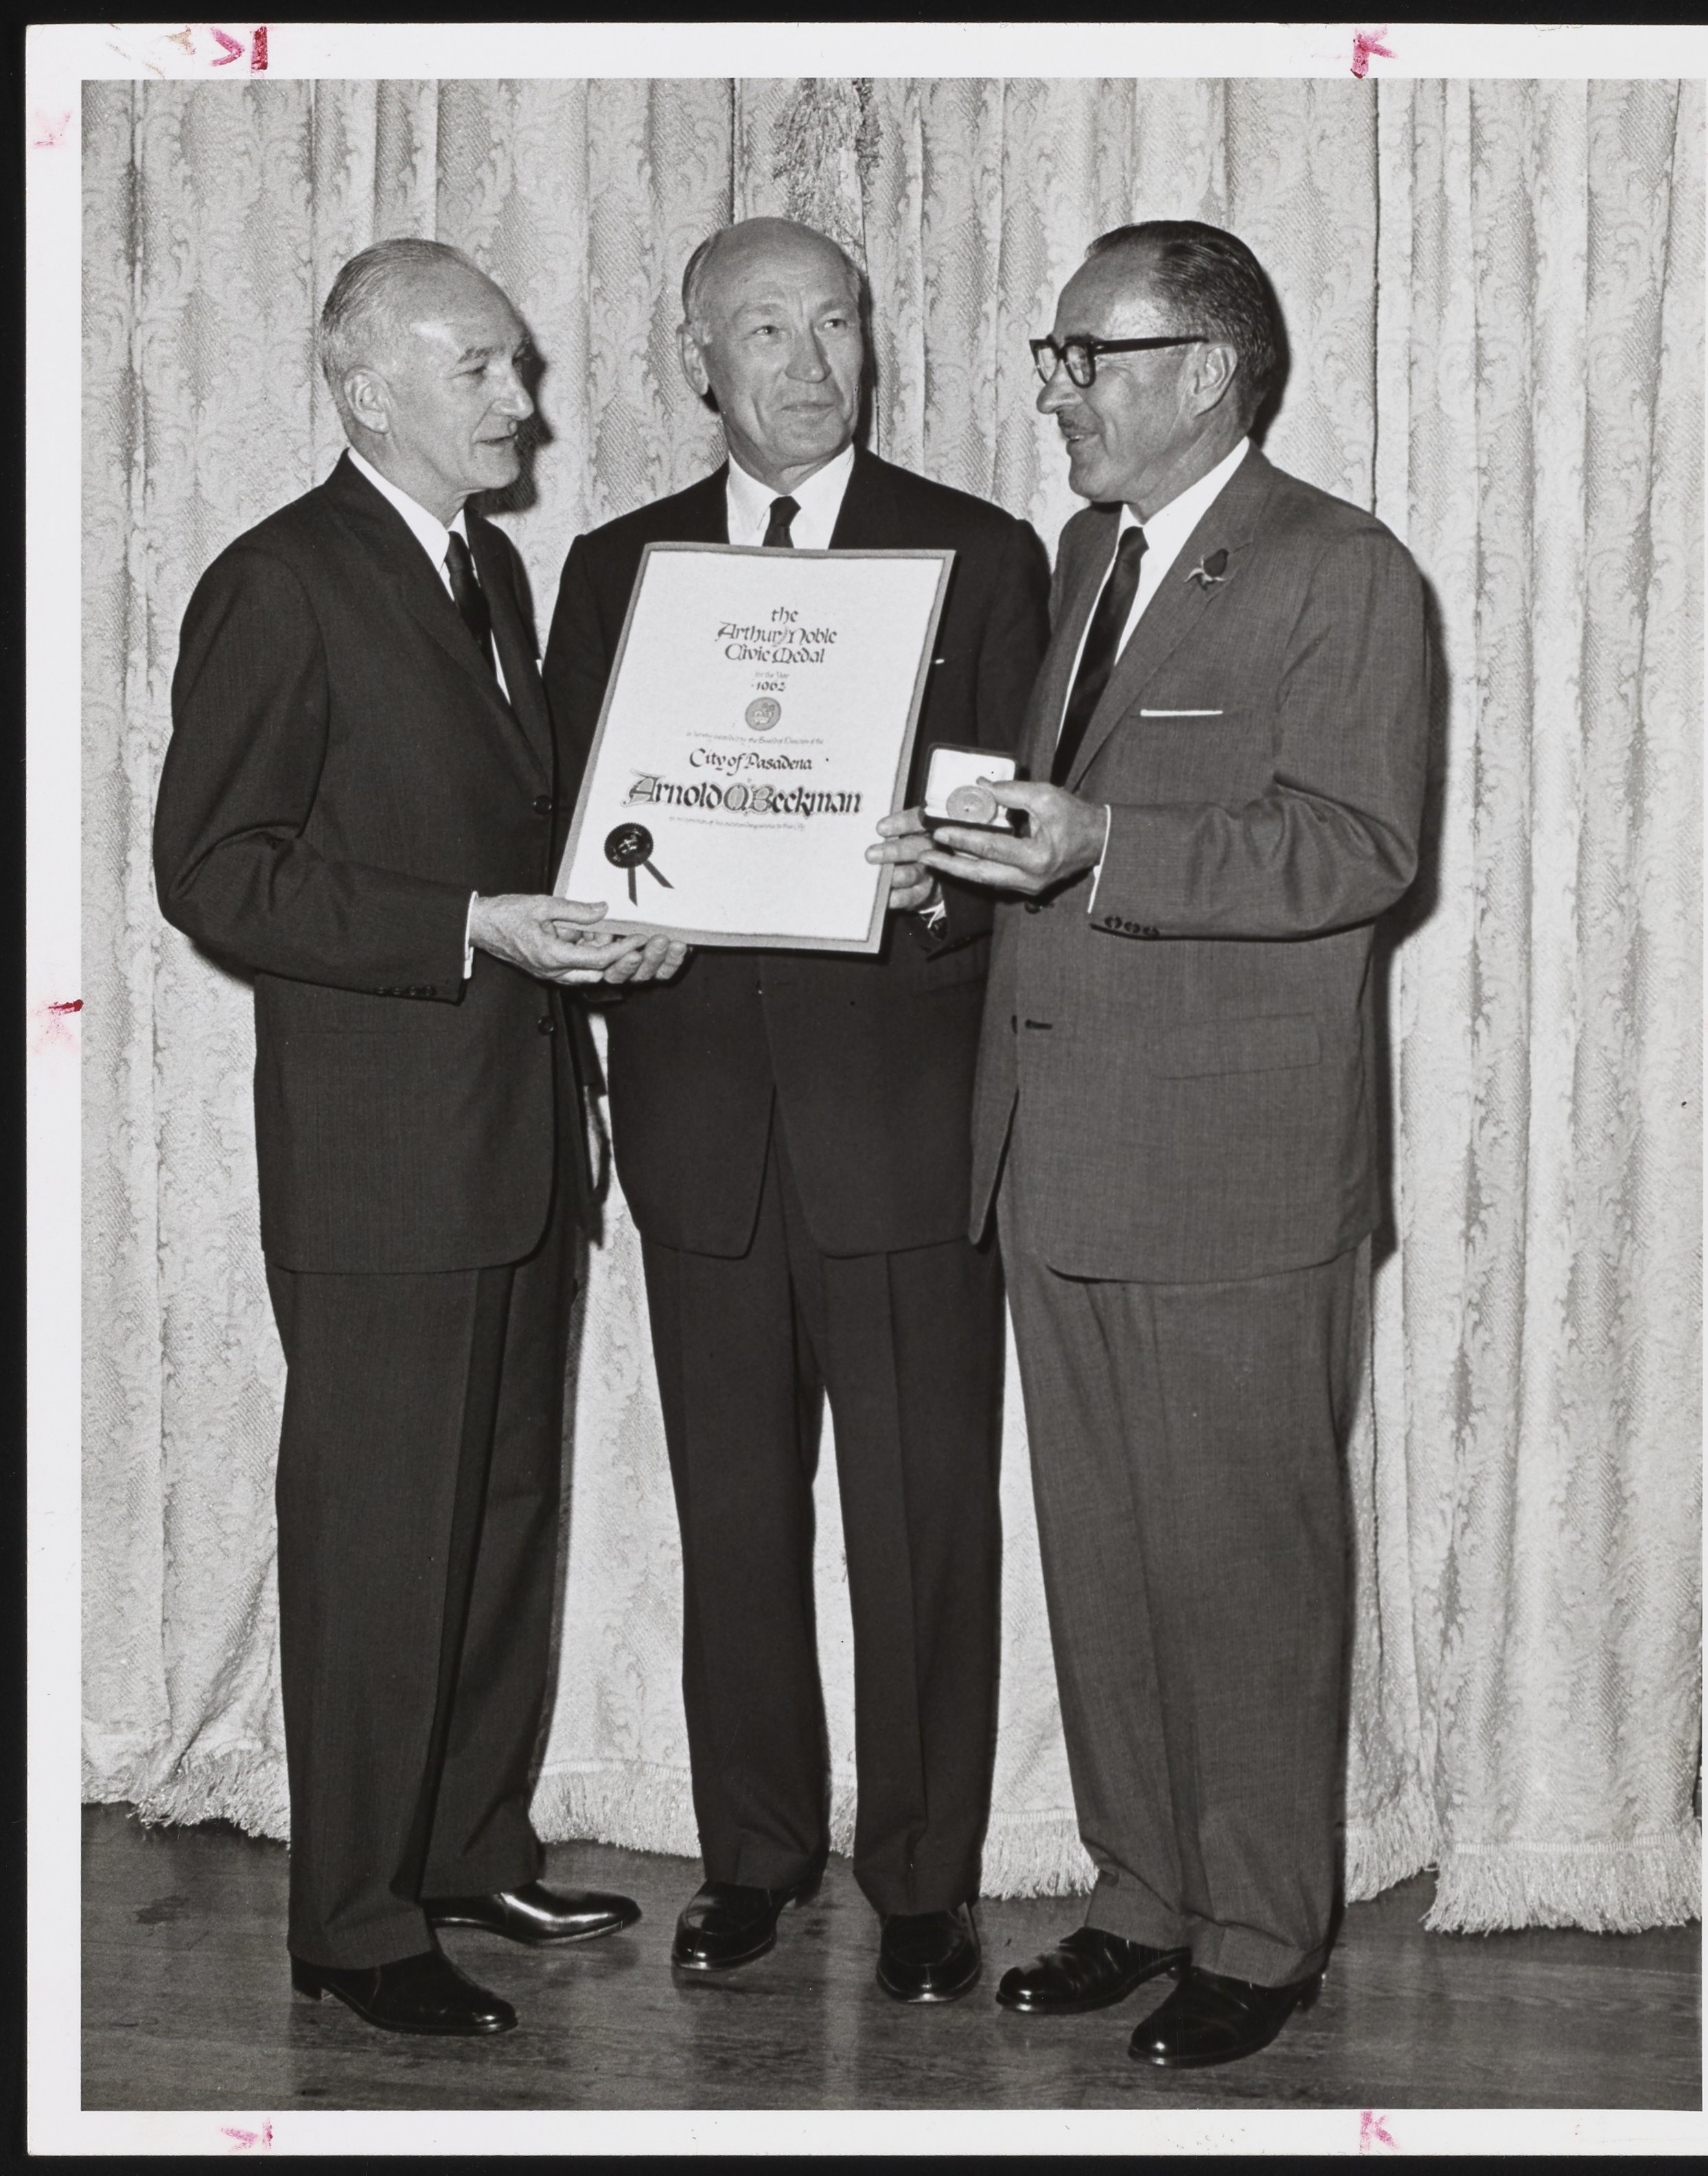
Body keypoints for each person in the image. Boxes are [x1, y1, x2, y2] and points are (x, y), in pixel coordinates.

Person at [153, 238, 686, 2039]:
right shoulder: (278, 582)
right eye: (481, 368)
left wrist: (595, 920)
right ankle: (354, 1921)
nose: (521, 400)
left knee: (501, 1520)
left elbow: (500, 831)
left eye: (517, 365)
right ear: (364, 385)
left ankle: (463, 1851)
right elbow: (216, 872)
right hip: (384, 1168)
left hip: (517, 1140)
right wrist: (469, 927)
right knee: (380, 1542)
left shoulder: (484, 570)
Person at [914, 220, 1430, 2068]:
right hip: (1056, 1150)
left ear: (1206, 369)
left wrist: (1102, 846)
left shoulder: (1339, 568)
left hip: (1234, 1178)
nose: (1055, 389)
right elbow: (1068, 821)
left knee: (1242, 1571)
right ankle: (1141, 1895)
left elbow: (1360, 848)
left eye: (1089, 355)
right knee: (1109, 1562)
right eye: (1053, 355)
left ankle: (1263, 1931)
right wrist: (965, 858)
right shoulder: (1089, 552)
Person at [544, 217, 1048, 2003]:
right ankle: (752, 1856)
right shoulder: (617, 566)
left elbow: (1010, 829)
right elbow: (578, 817)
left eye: (836, 323)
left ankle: (922, 1879)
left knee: (921, 1523)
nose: (810, 362)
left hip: (896, 1122)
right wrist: (603, 898)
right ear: (696, 360)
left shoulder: (978, 554)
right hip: (699, 1122)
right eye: (765, 330)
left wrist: (940, 881)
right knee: (735, 1519)